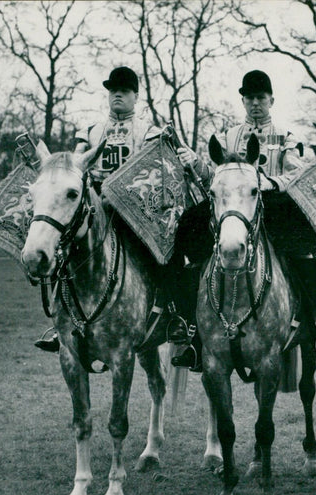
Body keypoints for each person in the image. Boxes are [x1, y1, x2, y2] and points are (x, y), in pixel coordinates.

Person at [169, 69, 316, 369]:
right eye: (249, 98)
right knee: (190, 233)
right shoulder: (227, 137)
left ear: (271, 100)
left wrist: (270, 184)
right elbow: (213, 174)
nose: (255, 104)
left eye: (261, 98)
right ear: (243, 101)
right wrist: (194, 161)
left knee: (304, 250)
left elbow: (295, 172)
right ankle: (191, 331)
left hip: (274, 204)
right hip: (233, 208)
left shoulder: (286, 137)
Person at [34, 66, 204, 352]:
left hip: (137, 213)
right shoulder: (88, 132)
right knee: (63, 250)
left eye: (123, 92)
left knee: (167, 252)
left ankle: (176, 315)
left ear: (135, 96)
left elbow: (158, 171)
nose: (117, 96)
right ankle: (60, 320)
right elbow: (75, 169)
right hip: (93, 210)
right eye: (113, 91)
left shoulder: (150, 132)